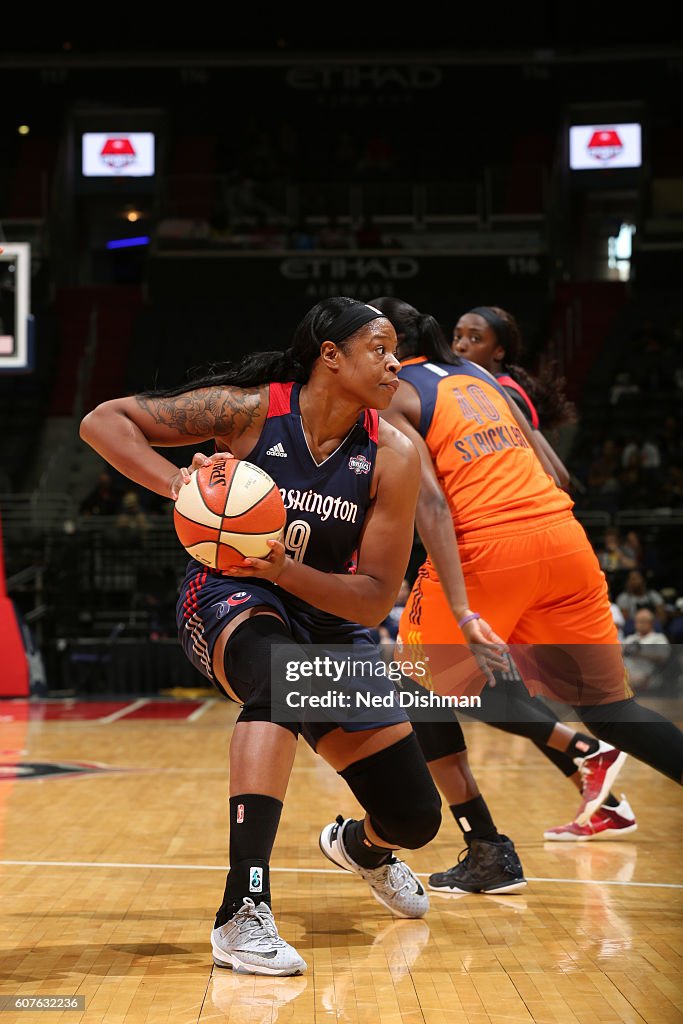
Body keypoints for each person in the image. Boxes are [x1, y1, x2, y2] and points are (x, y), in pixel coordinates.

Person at [79, 296, 442, 976]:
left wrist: (284, 567)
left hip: (330, 621)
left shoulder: (393, 454)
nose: (395, 361)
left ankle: (359, 848)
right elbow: (106, 422)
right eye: (379, 346)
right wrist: (181, 489)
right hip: (229, 597)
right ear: (329, 356)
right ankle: (241, 911)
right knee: (279, 677)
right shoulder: (248, 411)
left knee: (415, 818)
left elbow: (371, 601)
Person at [371, 296, 683, 872]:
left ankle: (489, 852)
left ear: (386, 346)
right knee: (613, 710)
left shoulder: (393, 393)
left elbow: (434, 504)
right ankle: (584, 749)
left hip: (486, 548)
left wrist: (463, 608)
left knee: (418, 688)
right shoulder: (482, 378)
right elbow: (555, 472)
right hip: (563, 538)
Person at [622, 609, 671, 691]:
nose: (640, 624)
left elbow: (663, 658)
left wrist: (639, 654)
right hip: (627, 677)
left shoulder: (659, 638)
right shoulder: (630, 638)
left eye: (643, 621)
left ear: (651, 623)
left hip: (648, 678)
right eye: (638, 621)